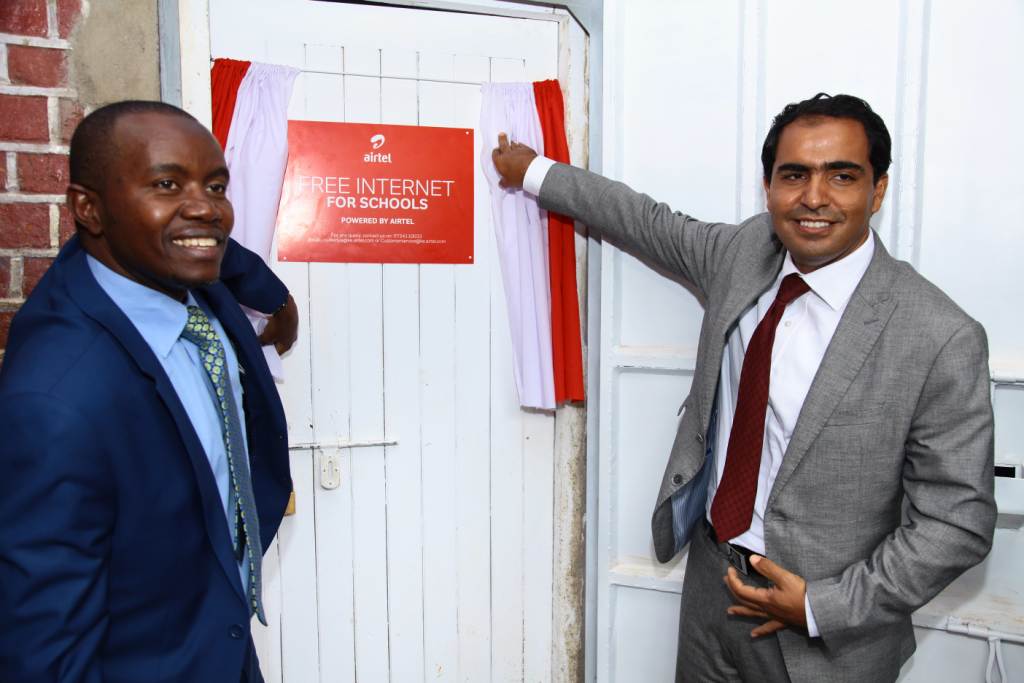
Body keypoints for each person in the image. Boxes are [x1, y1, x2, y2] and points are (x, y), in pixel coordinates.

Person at [492, 93, 996, 682]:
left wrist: (818, 606)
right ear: (768, 186)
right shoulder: (743, 253)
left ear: (877, 190)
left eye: (842, 176)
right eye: (794, 175)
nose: (814, 197)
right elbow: (643, 220)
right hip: (712, 578)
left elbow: (956, 523)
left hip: (827, 636)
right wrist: (532, 170)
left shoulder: (939, 335)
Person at [0, 100, 299, 682]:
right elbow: (45, 644)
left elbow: (219, 246)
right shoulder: (57, 401)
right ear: (89, 209)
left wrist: (279, 301)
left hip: (220, 640)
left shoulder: (173, 261)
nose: (205, 210)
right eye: (167, 183)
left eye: (215, 186)